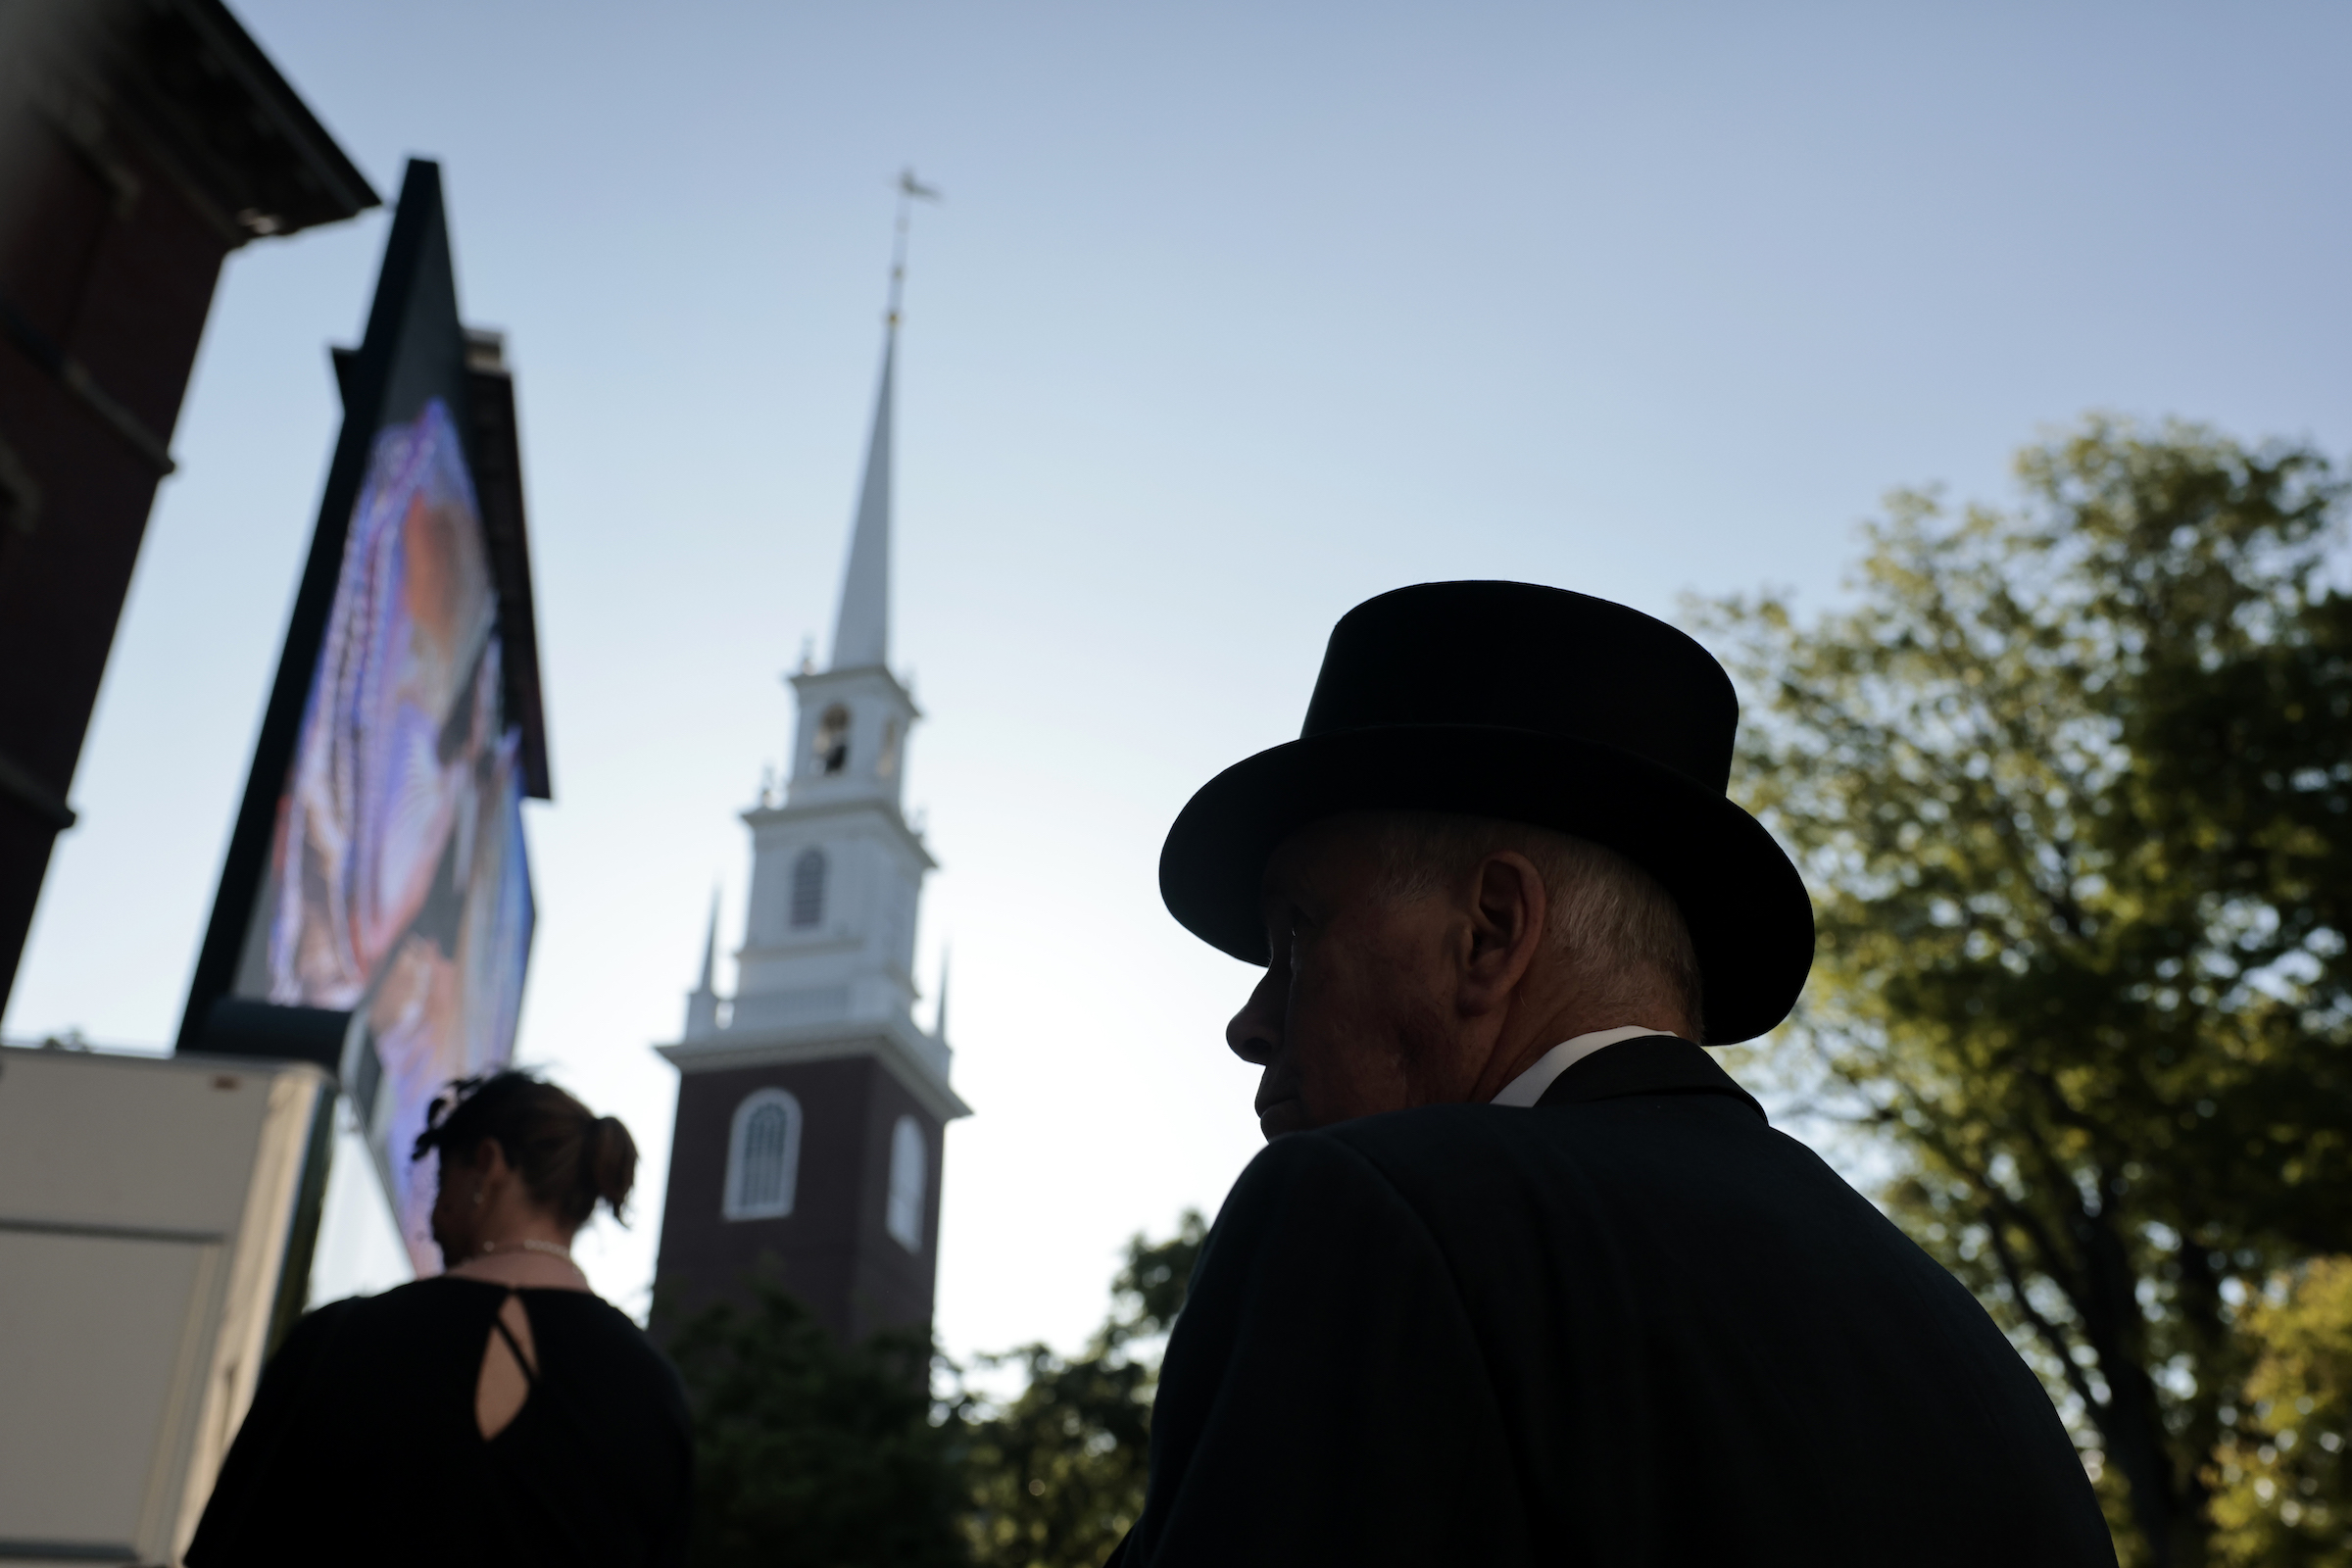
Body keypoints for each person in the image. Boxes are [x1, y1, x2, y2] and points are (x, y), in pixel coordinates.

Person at [1111, 582, 2116, 1565]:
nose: (1252, 1022)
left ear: (1489, 932)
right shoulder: (1975, 1362)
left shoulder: (1368, 1216)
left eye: (1297, 933)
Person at [188, 1073, 693, 1567]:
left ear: (487, 1166)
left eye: (439, 1180)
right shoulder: (654, 1391)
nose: (430, 1219)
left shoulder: (339, 1341)